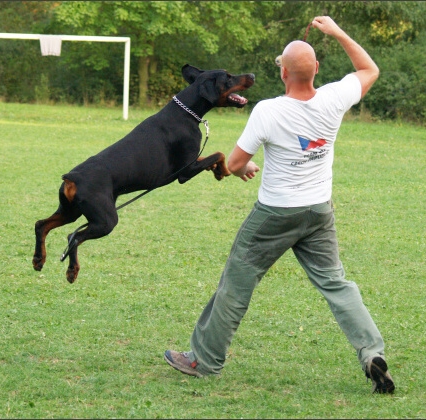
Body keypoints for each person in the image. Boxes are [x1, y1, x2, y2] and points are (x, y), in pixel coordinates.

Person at [165, 16, 395, 394]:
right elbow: (369, 69)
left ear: (284, 73)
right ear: (316, 70)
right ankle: (371, 352)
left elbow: (236, 164)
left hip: (275, 214)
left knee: (236, 283)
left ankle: (203, 360)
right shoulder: (336, 97)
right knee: (336, 284)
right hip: (319, 212)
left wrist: (246, 167)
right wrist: (336, 32)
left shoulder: (268, 111)